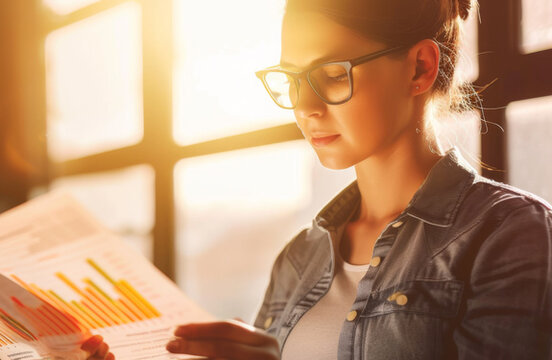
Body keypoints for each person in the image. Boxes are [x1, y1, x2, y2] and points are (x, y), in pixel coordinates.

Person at [159, 0, 552, 359]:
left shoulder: (511, 234)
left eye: (331, 75)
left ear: (420, 68)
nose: (305, 107)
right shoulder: (299, 258)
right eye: (292, 79)